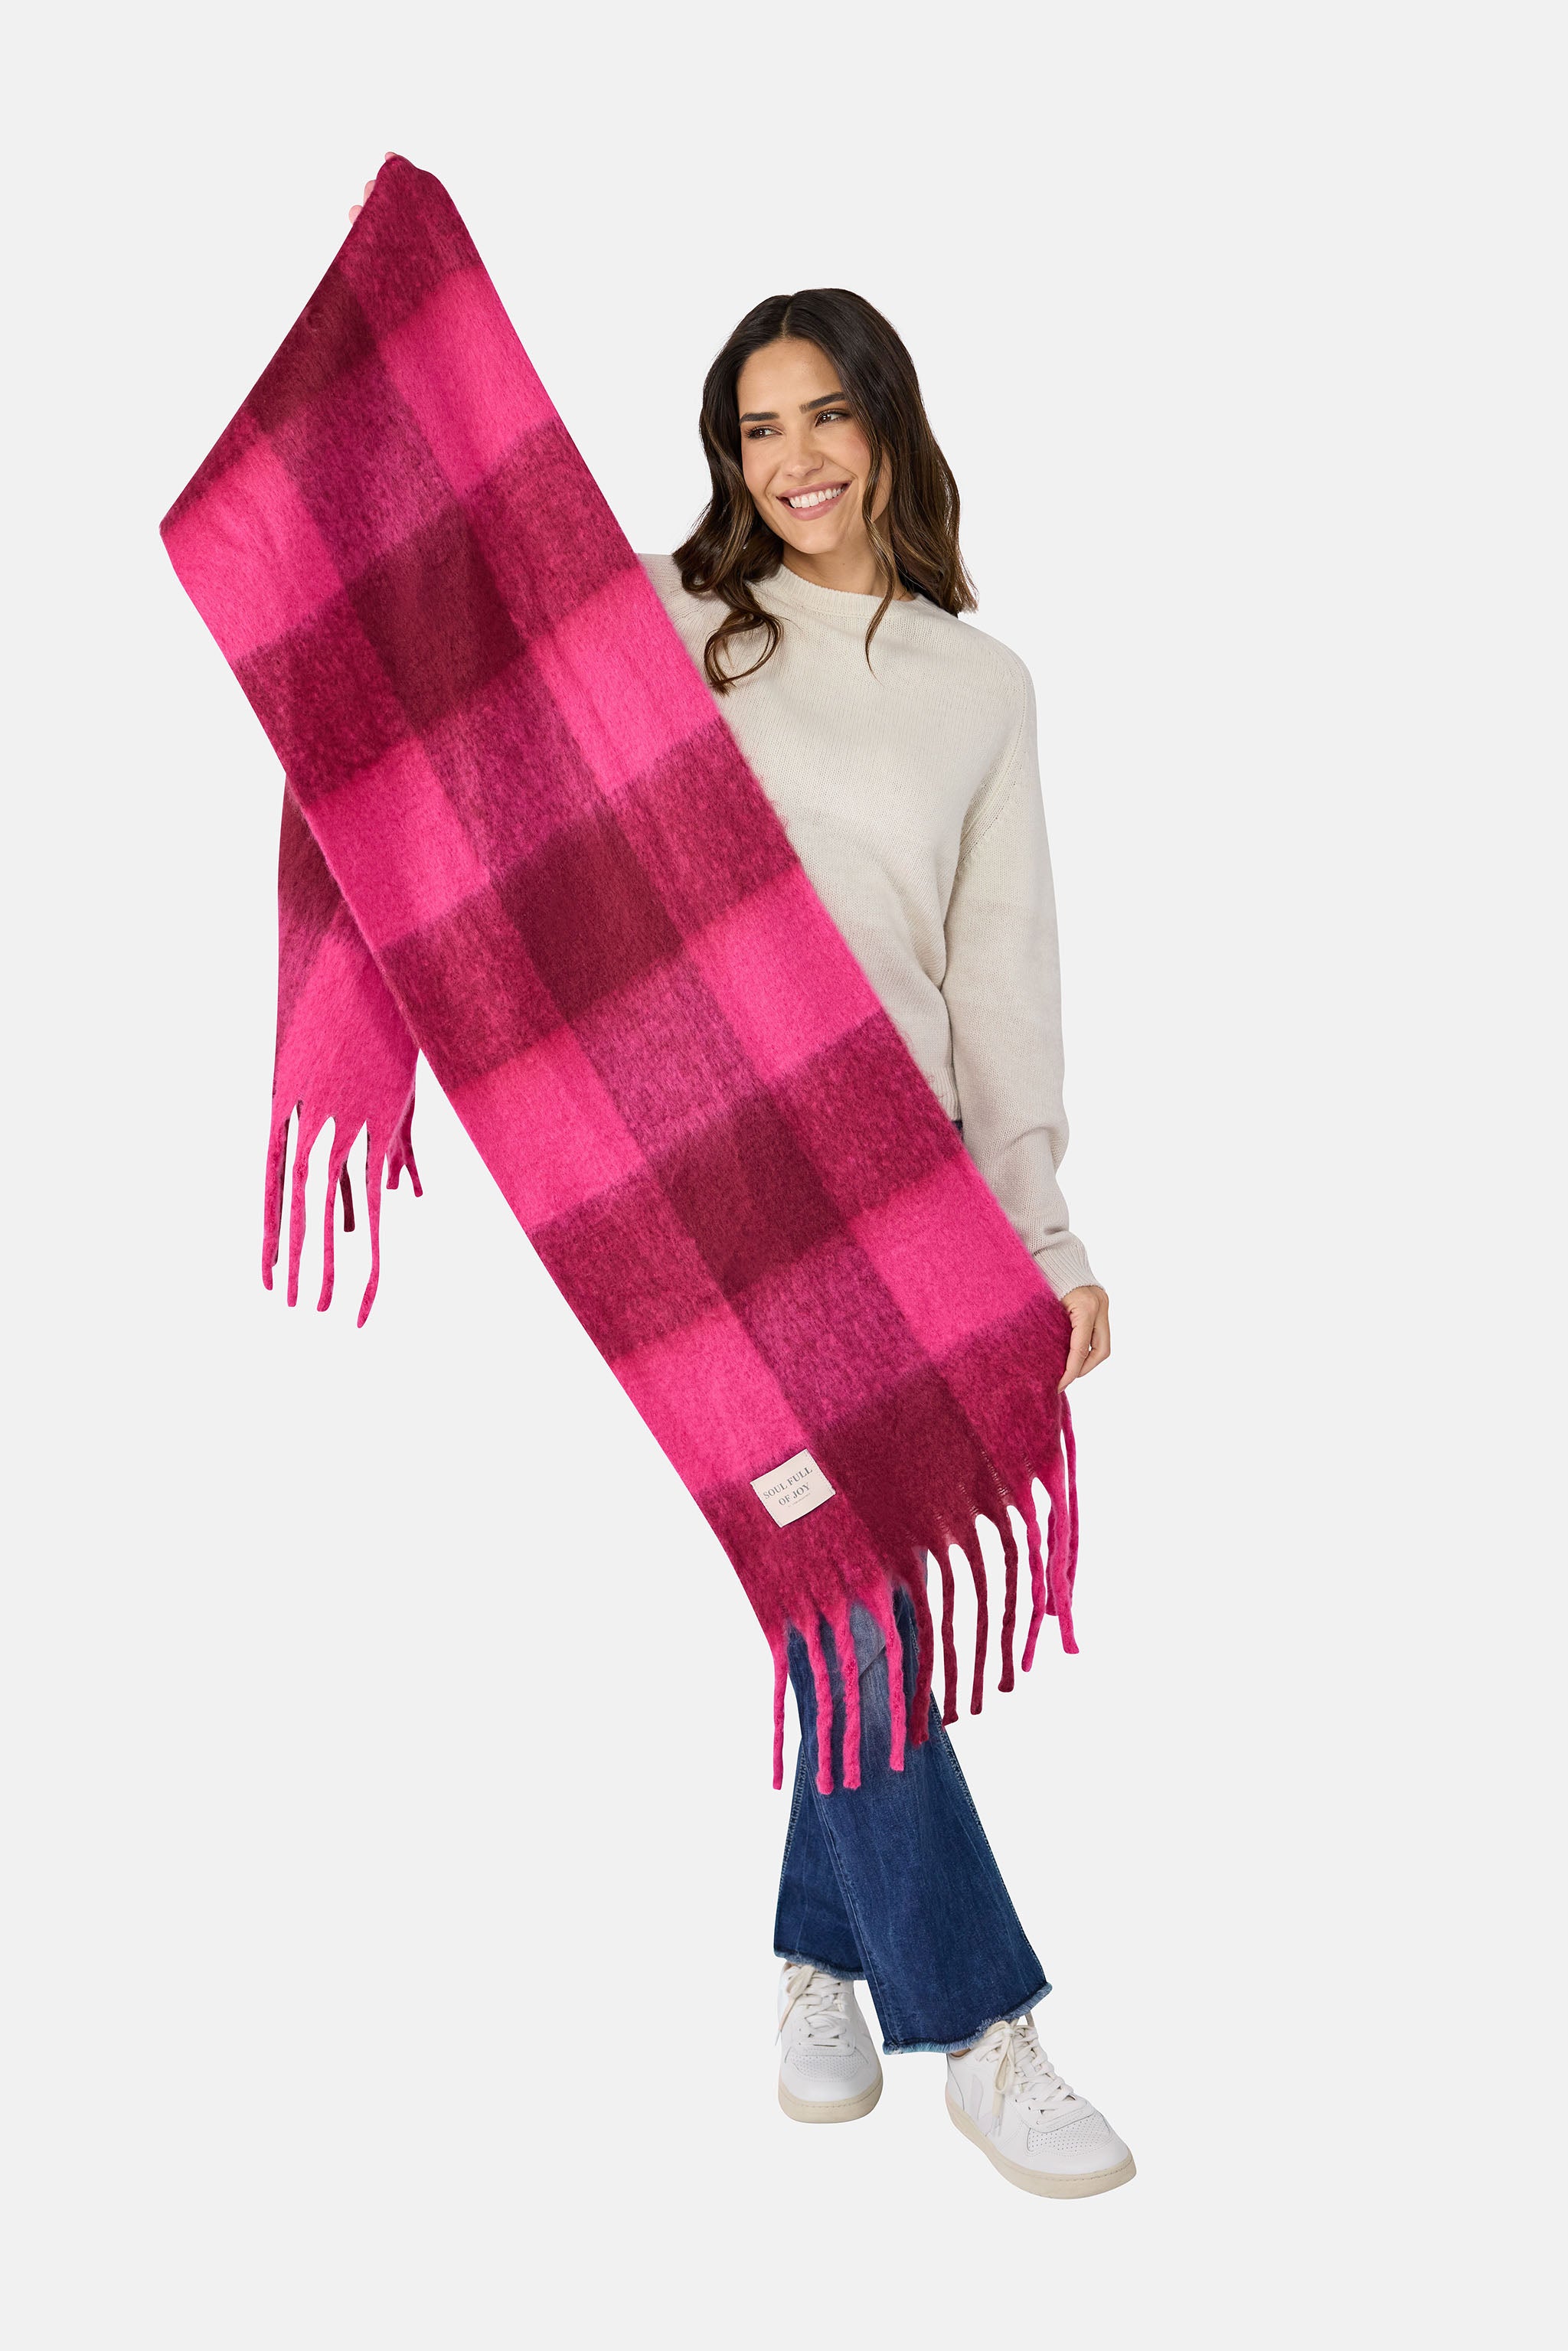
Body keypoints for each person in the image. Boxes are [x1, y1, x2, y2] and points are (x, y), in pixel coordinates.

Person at [351, 171, 1132, 2197]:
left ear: (888, 424)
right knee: (839, 1575)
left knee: (852, 1574)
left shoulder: (981, 688)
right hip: (690, 1172)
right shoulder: (660, 624)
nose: (791, 459)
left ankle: (817, 1960)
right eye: (754, 426)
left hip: (902, 1184)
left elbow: (1001, 985)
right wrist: (374, 381)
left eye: (824, 415)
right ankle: (984, 2026)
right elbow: (452, 627)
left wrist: (1044, 1232)